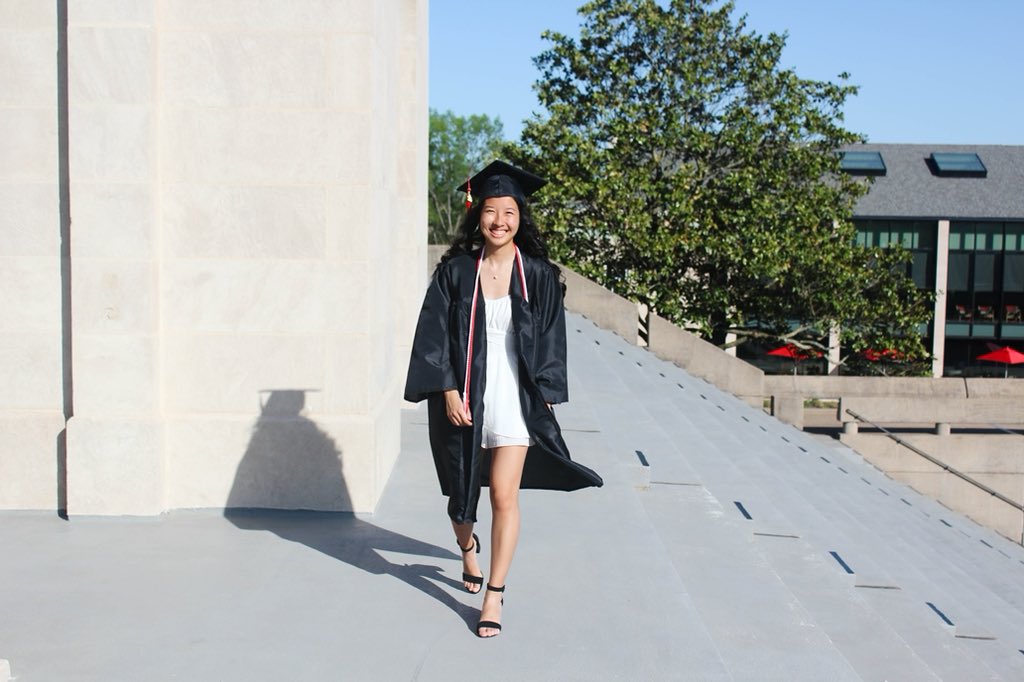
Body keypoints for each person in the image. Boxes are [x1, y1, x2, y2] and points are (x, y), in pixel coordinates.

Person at [404, 160, 603, 638]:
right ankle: (467, 549)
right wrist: (447, 388)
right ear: (478, 217)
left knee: (505, 495)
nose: (499, 221)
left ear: (520, 216)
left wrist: (547, 399)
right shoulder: (455, 274)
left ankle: (494, 593)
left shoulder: (536, 275)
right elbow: (431, 336)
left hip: (514, 399)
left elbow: (552, 339)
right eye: (490, 211)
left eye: (509, 211)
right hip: (466, 397)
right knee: (461, 500)